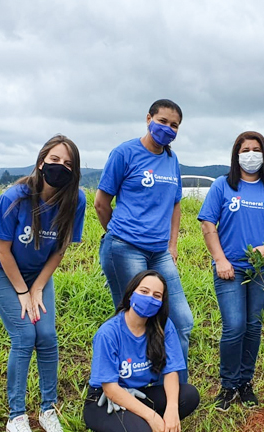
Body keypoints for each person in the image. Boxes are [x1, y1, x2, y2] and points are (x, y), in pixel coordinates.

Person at [0, 135, 87, 432]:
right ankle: (16, 416)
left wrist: (38, 287)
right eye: (55, 160)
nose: (60, 167)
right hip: (1, 270)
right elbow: (2, 249)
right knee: (25, 335)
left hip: (38, 275)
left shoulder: (75, 200)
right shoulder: (15, 197)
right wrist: (22, 291)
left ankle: (47, 409)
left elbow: (60, 249)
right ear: (42, 161)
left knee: (47, 336)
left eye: (68, 164)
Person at [94, 100, 194, 382]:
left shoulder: (171, 160)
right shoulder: (124, 153)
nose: (168, 128)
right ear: (148, 118)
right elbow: (101, 203)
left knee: (182, 322)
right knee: (134, 319)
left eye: (174, 125)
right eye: (162, 121)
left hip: (159, 252)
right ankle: (125, 385)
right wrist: (119, 234)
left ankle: (173, 389)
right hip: (125, 248)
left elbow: (176, 204)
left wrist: (172, 245)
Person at [197, 131, 264, 411]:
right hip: (230, 269)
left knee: (254, 326)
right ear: (236, 154)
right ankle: (227, 385)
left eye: (256, 149)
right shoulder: (222, 186)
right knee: (235, 326)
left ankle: (245, 383)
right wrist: (220, 260)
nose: (251, 154)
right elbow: (207, 224)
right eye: (245, 149)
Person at [84, 270, 200, 432]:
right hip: (105, 401)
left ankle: (143, 429)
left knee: (188, 396)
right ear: (130, 294)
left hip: (138, 393)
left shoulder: (163, 327)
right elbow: (110, 388)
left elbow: (171, 371)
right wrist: (152, 416)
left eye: (157, 295)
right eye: (144, 291)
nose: (150, 299)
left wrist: (172, 408)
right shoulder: (109, 333)